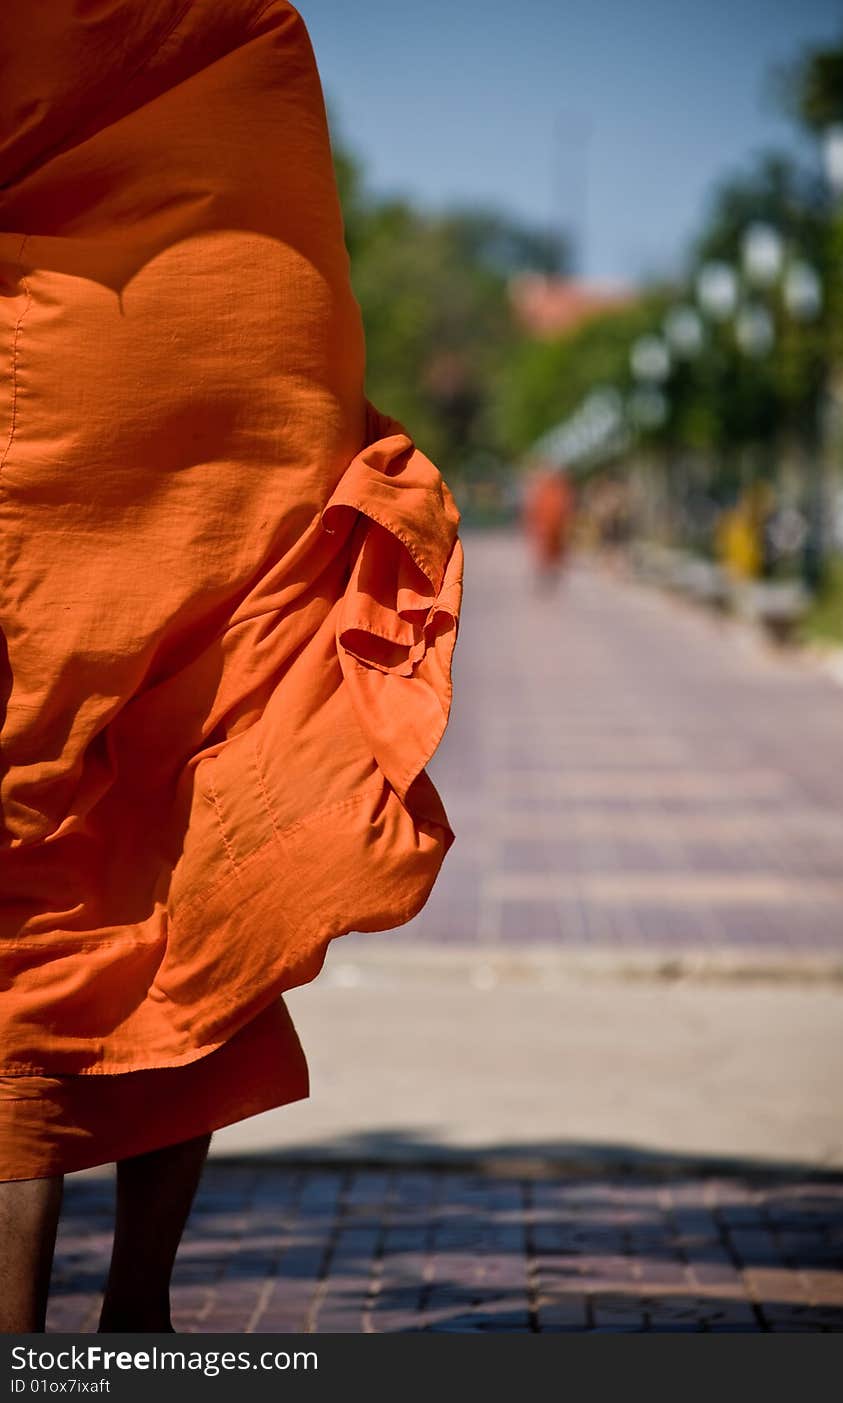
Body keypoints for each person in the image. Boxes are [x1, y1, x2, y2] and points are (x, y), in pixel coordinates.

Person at [0, 0, 463, 1333]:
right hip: (266, 356)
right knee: (209, 805)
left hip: (68, 363)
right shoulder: (252, 26)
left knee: (33, 852)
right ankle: (136, 1312)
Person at [522, 461, 576, 590]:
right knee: (544, 553)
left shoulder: (558, 489)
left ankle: (551, 575)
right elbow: (533, 509)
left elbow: (566, 506)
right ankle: (545, 576)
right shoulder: (543, 488)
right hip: (546, 526)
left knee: (554, 553)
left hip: (555, 527)